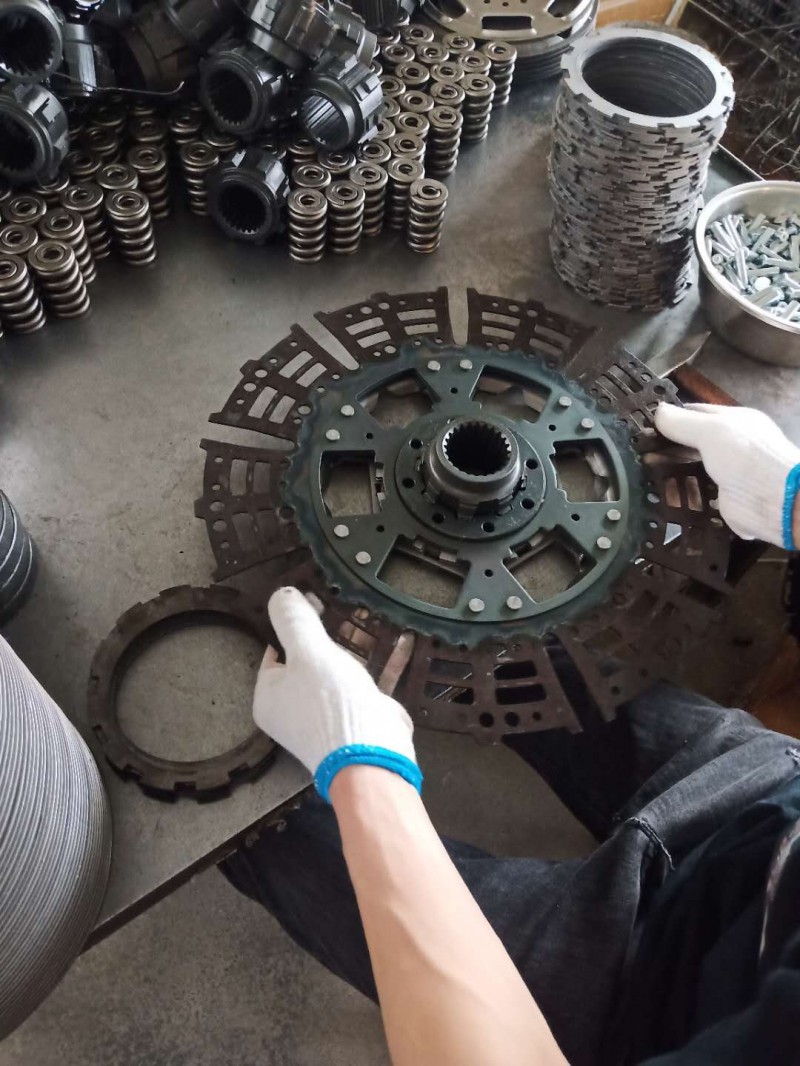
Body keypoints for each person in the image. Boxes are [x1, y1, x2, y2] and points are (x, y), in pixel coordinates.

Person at [221, 404, 800, 1065]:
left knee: (264, 817)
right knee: (494, 632)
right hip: (768, 801)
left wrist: (363, 772)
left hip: (652, 1007)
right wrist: (791, 499)